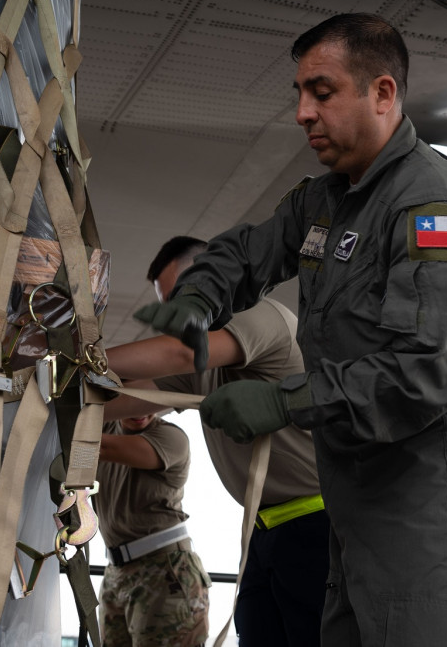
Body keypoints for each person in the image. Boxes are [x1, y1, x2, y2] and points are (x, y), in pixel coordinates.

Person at [134, 13, 447, 646]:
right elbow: (248, 250)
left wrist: (281, 401)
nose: (302, 113)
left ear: (383, 94)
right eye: (299, 94)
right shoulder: (326, 199)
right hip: (355, 496)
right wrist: (200, 296)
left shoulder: (432, 207)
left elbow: (428, 370)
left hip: (430, 502)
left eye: (322, 92)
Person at [104, 235, 328, 646]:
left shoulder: (263, 316)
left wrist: (66, 356)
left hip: (316, 526)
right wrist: (31, 400)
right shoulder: (205, 359)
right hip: (265, 530)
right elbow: (114, 402)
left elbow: (180, 355)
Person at [96, 412, 210, 647]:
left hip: (164, 571)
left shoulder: (171, 437)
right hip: (116, 571)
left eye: (148, 403)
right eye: (134, 402)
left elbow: (92, 445)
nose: (140, 410)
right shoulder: (105, 428)